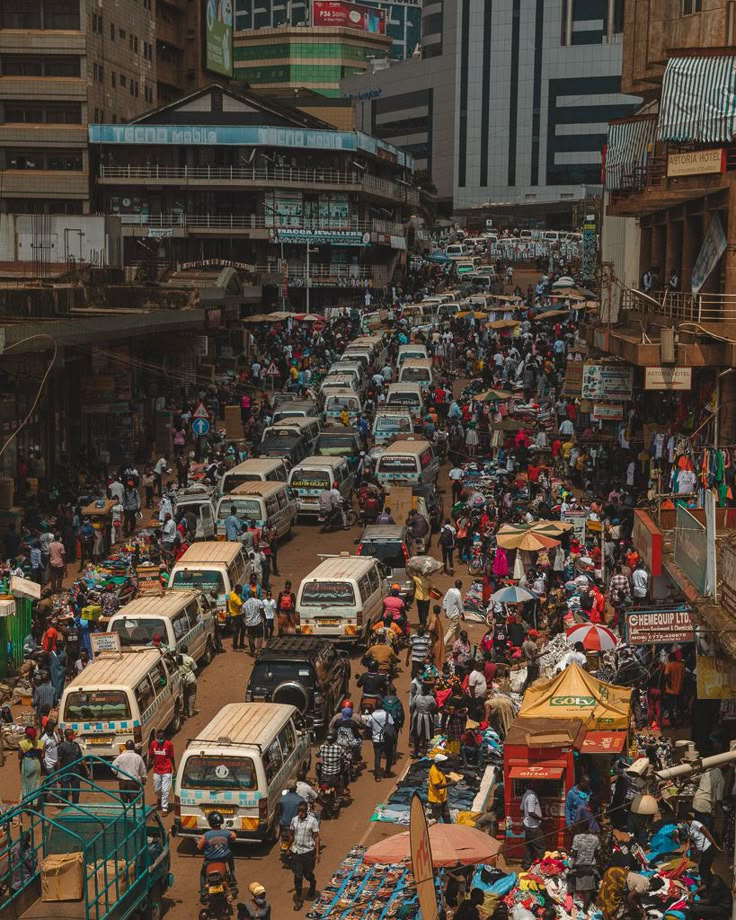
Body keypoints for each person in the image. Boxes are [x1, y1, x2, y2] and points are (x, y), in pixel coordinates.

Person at [289, 800, 320, 911]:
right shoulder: (294, 820)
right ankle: (299, 899)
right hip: (296, 851)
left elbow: (316, 837)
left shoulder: (312, 821)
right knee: (298, 876)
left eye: (302, 811)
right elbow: (291, 834)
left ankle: (312, 883)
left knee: (307, 874)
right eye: (298, 811)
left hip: (308, 852)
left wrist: (317, 853)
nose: (300, 813)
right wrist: (288, 847)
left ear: (306, 810)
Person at [198, 811, 237, 896]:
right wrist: (230, 832)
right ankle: (232, 876)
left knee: (202, 874)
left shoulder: (206, 835)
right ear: (221, 822)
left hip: (210, 860)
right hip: (224, 858)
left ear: (210, 823)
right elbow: (234, 837)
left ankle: (203, 891)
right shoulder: (226, 832)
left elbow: (199, 847)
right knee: (230, 855)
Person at [570, 821, 600, 912]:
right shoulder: (595, 838)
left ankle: (582, 910)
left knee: (580, 889)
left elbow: (574, 854)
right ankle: (585, 909)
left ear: (580, 828)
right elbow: (597, 852)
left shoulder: (577, 838)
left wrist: (564, 850)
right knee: (587, 890)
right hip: (590, 867)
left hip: (579, 866)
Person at [362, 703, 395, 781]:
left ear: (375, 707)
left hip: (376, 740)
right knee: (389, 755)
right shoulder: (387, 714)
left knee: (377, 757)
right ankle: (387, 772)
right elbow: (392, 724)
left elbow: (368, 726)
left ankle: (377, 776)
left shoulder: (372, 716)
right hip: (387, 739)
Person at [687, 811, 721, 883]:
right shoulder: (688, 827)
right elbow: (689, 840)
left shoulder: (696, 824)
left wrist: (715, 845)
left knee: (705, 870)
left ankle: (710, 885)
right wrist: (686, 851)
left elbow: (708, 834)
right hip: (701, 851)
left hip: (708, 848)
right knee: (701, 869)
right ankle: (707, 884)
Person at [149, 729, 175, 813]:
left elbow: (171, 757)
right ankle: (160, 798)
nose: (159, 740)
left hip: (167, 770)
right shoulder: (153, 744)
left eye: (161, 738)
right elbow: (151, 756)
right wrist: (147, 767)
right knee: (156, 789)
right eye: (158, 738)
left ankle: (164, 808)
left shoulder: (169, 745)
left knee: (165, 790)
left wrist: (174, 768)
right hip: (157, 770)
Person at [57, 728, 85, 804]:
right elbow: (59, 761)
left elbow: (81, 758)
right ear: (69, 736)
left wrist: (88, 770)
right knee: (65, 790)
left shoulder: (76, 745)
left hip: (75, 771)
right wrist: (59, 773)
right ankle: (64, 804)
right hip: (65, 771)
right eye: (73, 734)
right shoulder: (62, 747)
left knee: (76, 790)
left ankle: (75, 805)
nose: (74, 736)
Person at [520, 782, 544, 869]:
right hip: (533, 826)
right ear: (532, 785)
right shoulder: (532, 796)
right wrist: (542, 819)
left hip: (527, 824)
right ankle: (541, 868)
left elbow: (521, 809)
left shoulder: (526, 794)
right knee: (540, 847)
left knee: (529, 847)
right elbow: (531, 812)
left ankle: (525, 865)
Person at [427, 753, 454, 823]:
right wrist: (451, 783)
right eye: (443, 762)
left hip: (442, 798)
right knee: (436, 818)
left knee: (446, 815)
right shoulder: (434, 772)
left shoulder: (439, 768)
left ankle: (449, 829)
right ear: (439, 763)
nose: (445, 763)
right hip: (436, 799)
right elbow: (438, 786)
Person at [18, 726, 44, 799]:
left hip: (27, 763)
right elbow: (42, 756)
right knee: (36, 784)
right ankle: (34, 801)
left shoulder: (22, 743)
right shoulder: (41, 743)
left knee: (26, 783)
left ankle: (27, 801)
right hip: (36, 763)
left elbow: (19, 756)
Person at [442, 579, 464, 648]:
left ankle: (458, 641)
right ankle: (444, 642)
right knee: (452, 629)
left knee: (458, 628)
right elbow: (460, 605)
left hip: (449, 613)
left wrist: (445, 611)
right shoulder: (458, 593)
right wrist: (463, 614)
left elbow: (444, 600)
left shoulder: (450, 590)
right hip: (454, 614)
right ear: (460, 586)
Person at [178, 644, 198, 717]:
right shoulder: (190, 659)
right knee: (192, 694)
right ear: (187, 651)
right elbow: (195, 669)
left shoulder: (176, 658)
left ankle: (185, 710)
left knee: (185, 694)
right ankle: (190, 711)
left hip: (181, 680)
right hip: (190, 679)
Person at [228, 584, 245, 650]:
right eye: (240, 590)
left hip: (235, 613)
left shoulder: (231, 593)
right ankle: (235, 646)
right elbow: (241, 606)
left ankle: (241, 643)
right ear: (237, 590)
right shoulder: (236, 598)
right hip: (236, 615)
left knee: (243, 628)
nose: (241, 591)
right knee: (237, 630)